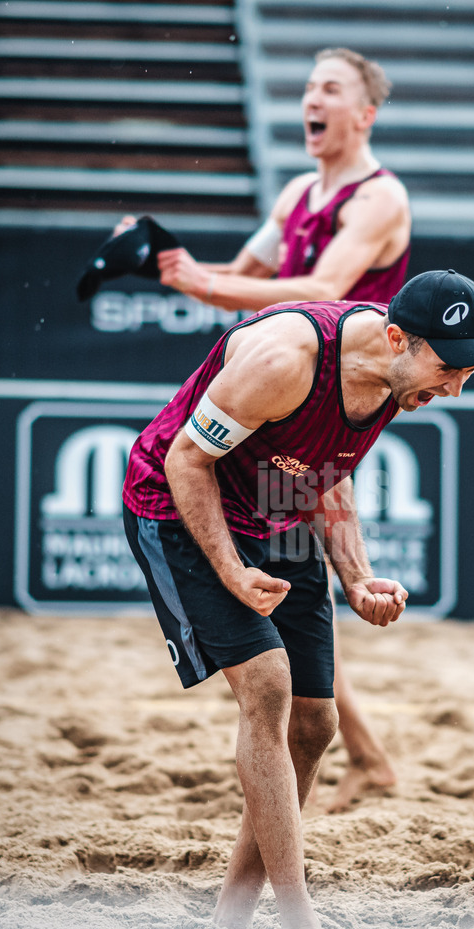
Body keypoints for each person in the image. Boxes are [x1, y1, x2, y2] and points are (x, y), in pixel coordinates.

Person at [122, 269, 474, 929]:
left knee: (316, 723)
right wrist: (232, 571)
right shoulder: (283, 360)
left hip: (275, 505)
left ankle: (230, 924)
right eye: (449, 369)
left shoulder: (395, 376)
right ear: (397, 339)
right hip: (179, 505)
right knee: (267, 688)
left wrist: (357, 578)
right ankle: (301, 925)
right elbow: (187, 461)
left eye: (468, 372)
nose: (453, 389)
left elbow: (326, 469)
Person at [116, 47, 411, 812]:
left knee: (286, 617)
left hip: (344, 407)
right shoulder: (296, 193)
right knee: (285, 622)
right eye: (308, 84)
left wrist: (204, 281)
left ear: (364, 114)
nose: (310, 97)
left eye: (329, 88)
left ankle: (360, 759)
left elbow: (318, 289)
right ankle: (361, 759)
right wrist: (172, 263)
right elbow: (241, 285)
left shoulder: (378, 199)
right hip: (284, 409)